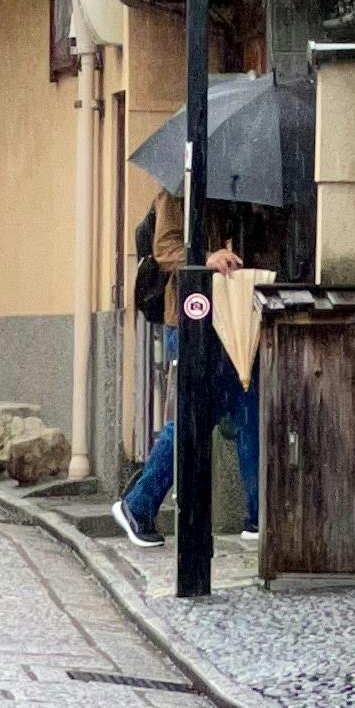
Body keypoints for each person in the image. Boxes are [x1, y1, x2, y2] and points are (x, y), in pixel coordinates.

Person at [117, 186, 263, 549]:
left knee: (246, 408)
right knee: (191, 416)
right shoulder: (175, 191)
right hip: (187, 318)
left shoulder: (227, 189)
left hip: (227, 317)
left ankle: (258, 516)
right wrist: (206, 257)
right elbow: (165, 250)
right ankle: (139, 504)